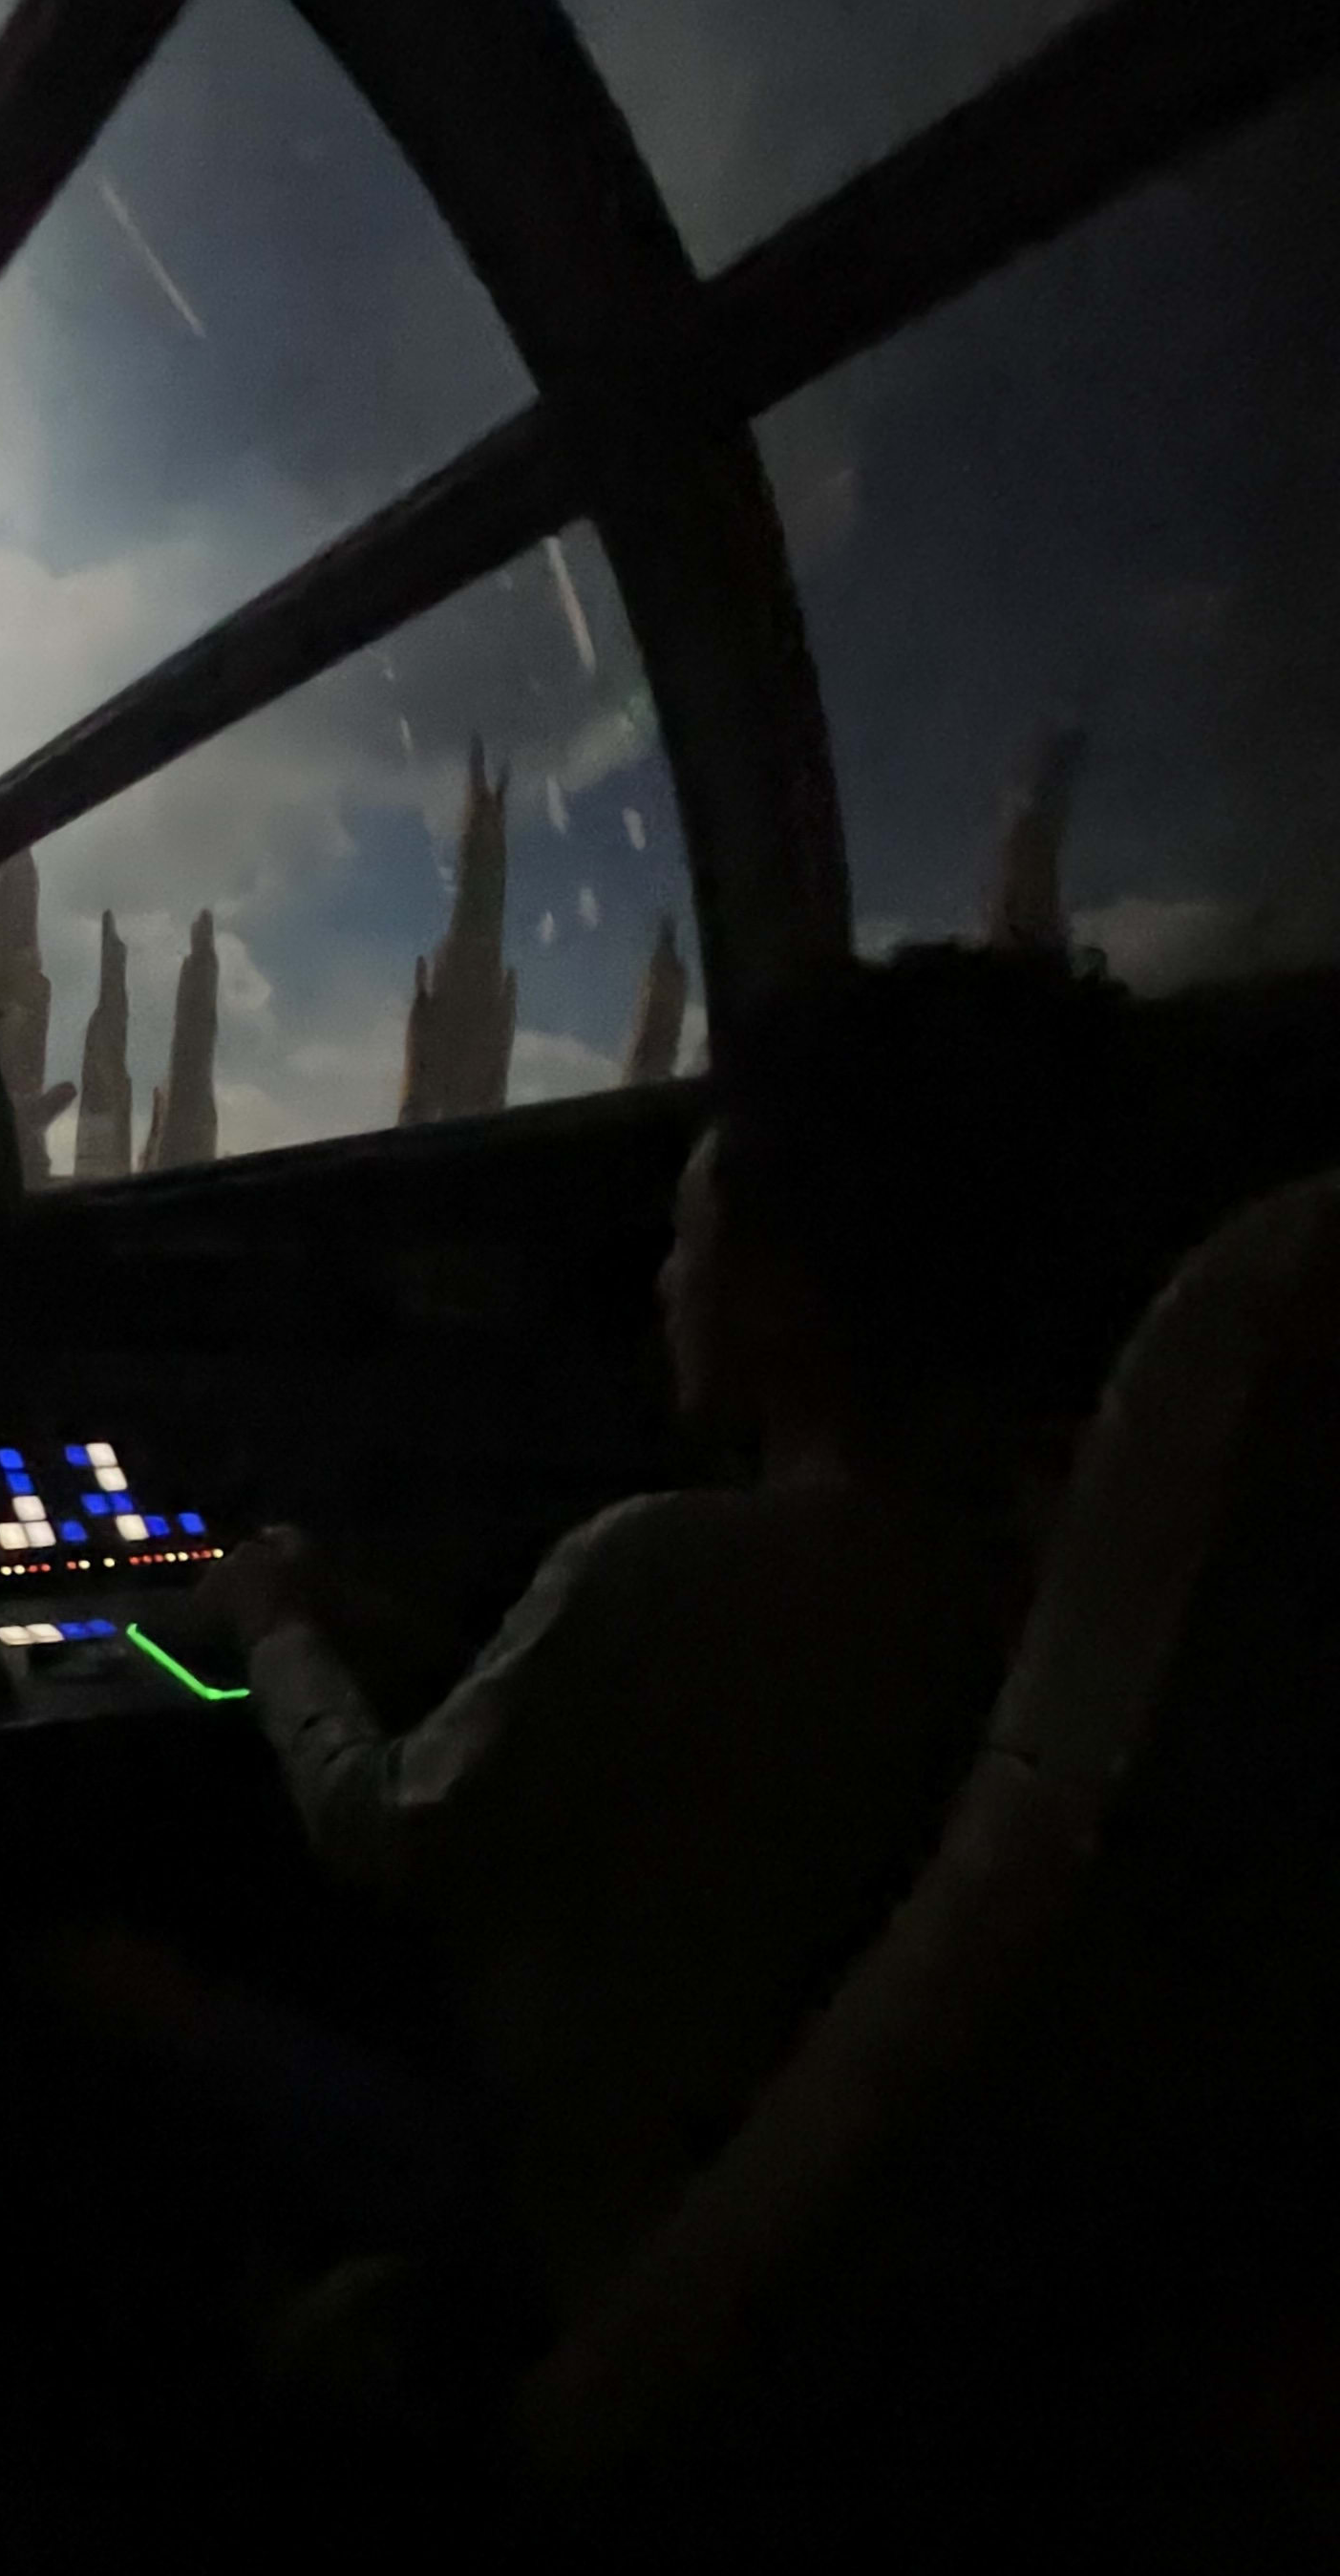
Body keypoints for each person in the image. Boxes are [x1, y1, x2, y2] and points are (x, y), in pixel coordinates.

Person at [177, 937, 1159, 2366]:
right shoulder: (1056, 1566)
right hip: (859, 2264)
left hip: (570, 2210)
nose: (662, 1285)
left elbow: (379, 1826)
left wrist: (269, 1618)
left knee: (96, 1984)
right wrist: (399, 1641)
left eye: (684, 1241)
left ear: (778, 1290)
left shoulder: (663, 1558)